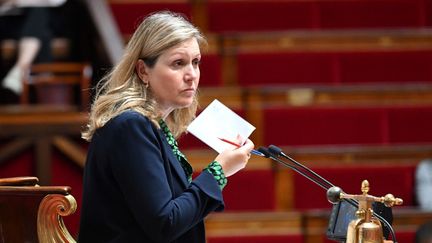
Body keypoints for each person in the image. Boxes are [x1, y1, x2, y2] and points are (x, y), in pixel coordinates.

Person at [78, 11, 254, 243]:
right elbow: (165, 223)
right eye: (178, 64)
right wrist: (218, 172)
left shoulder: (149, 125)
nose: (191, 75)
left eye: (196, 62)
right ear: (143, 71)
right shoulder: (130, 126)